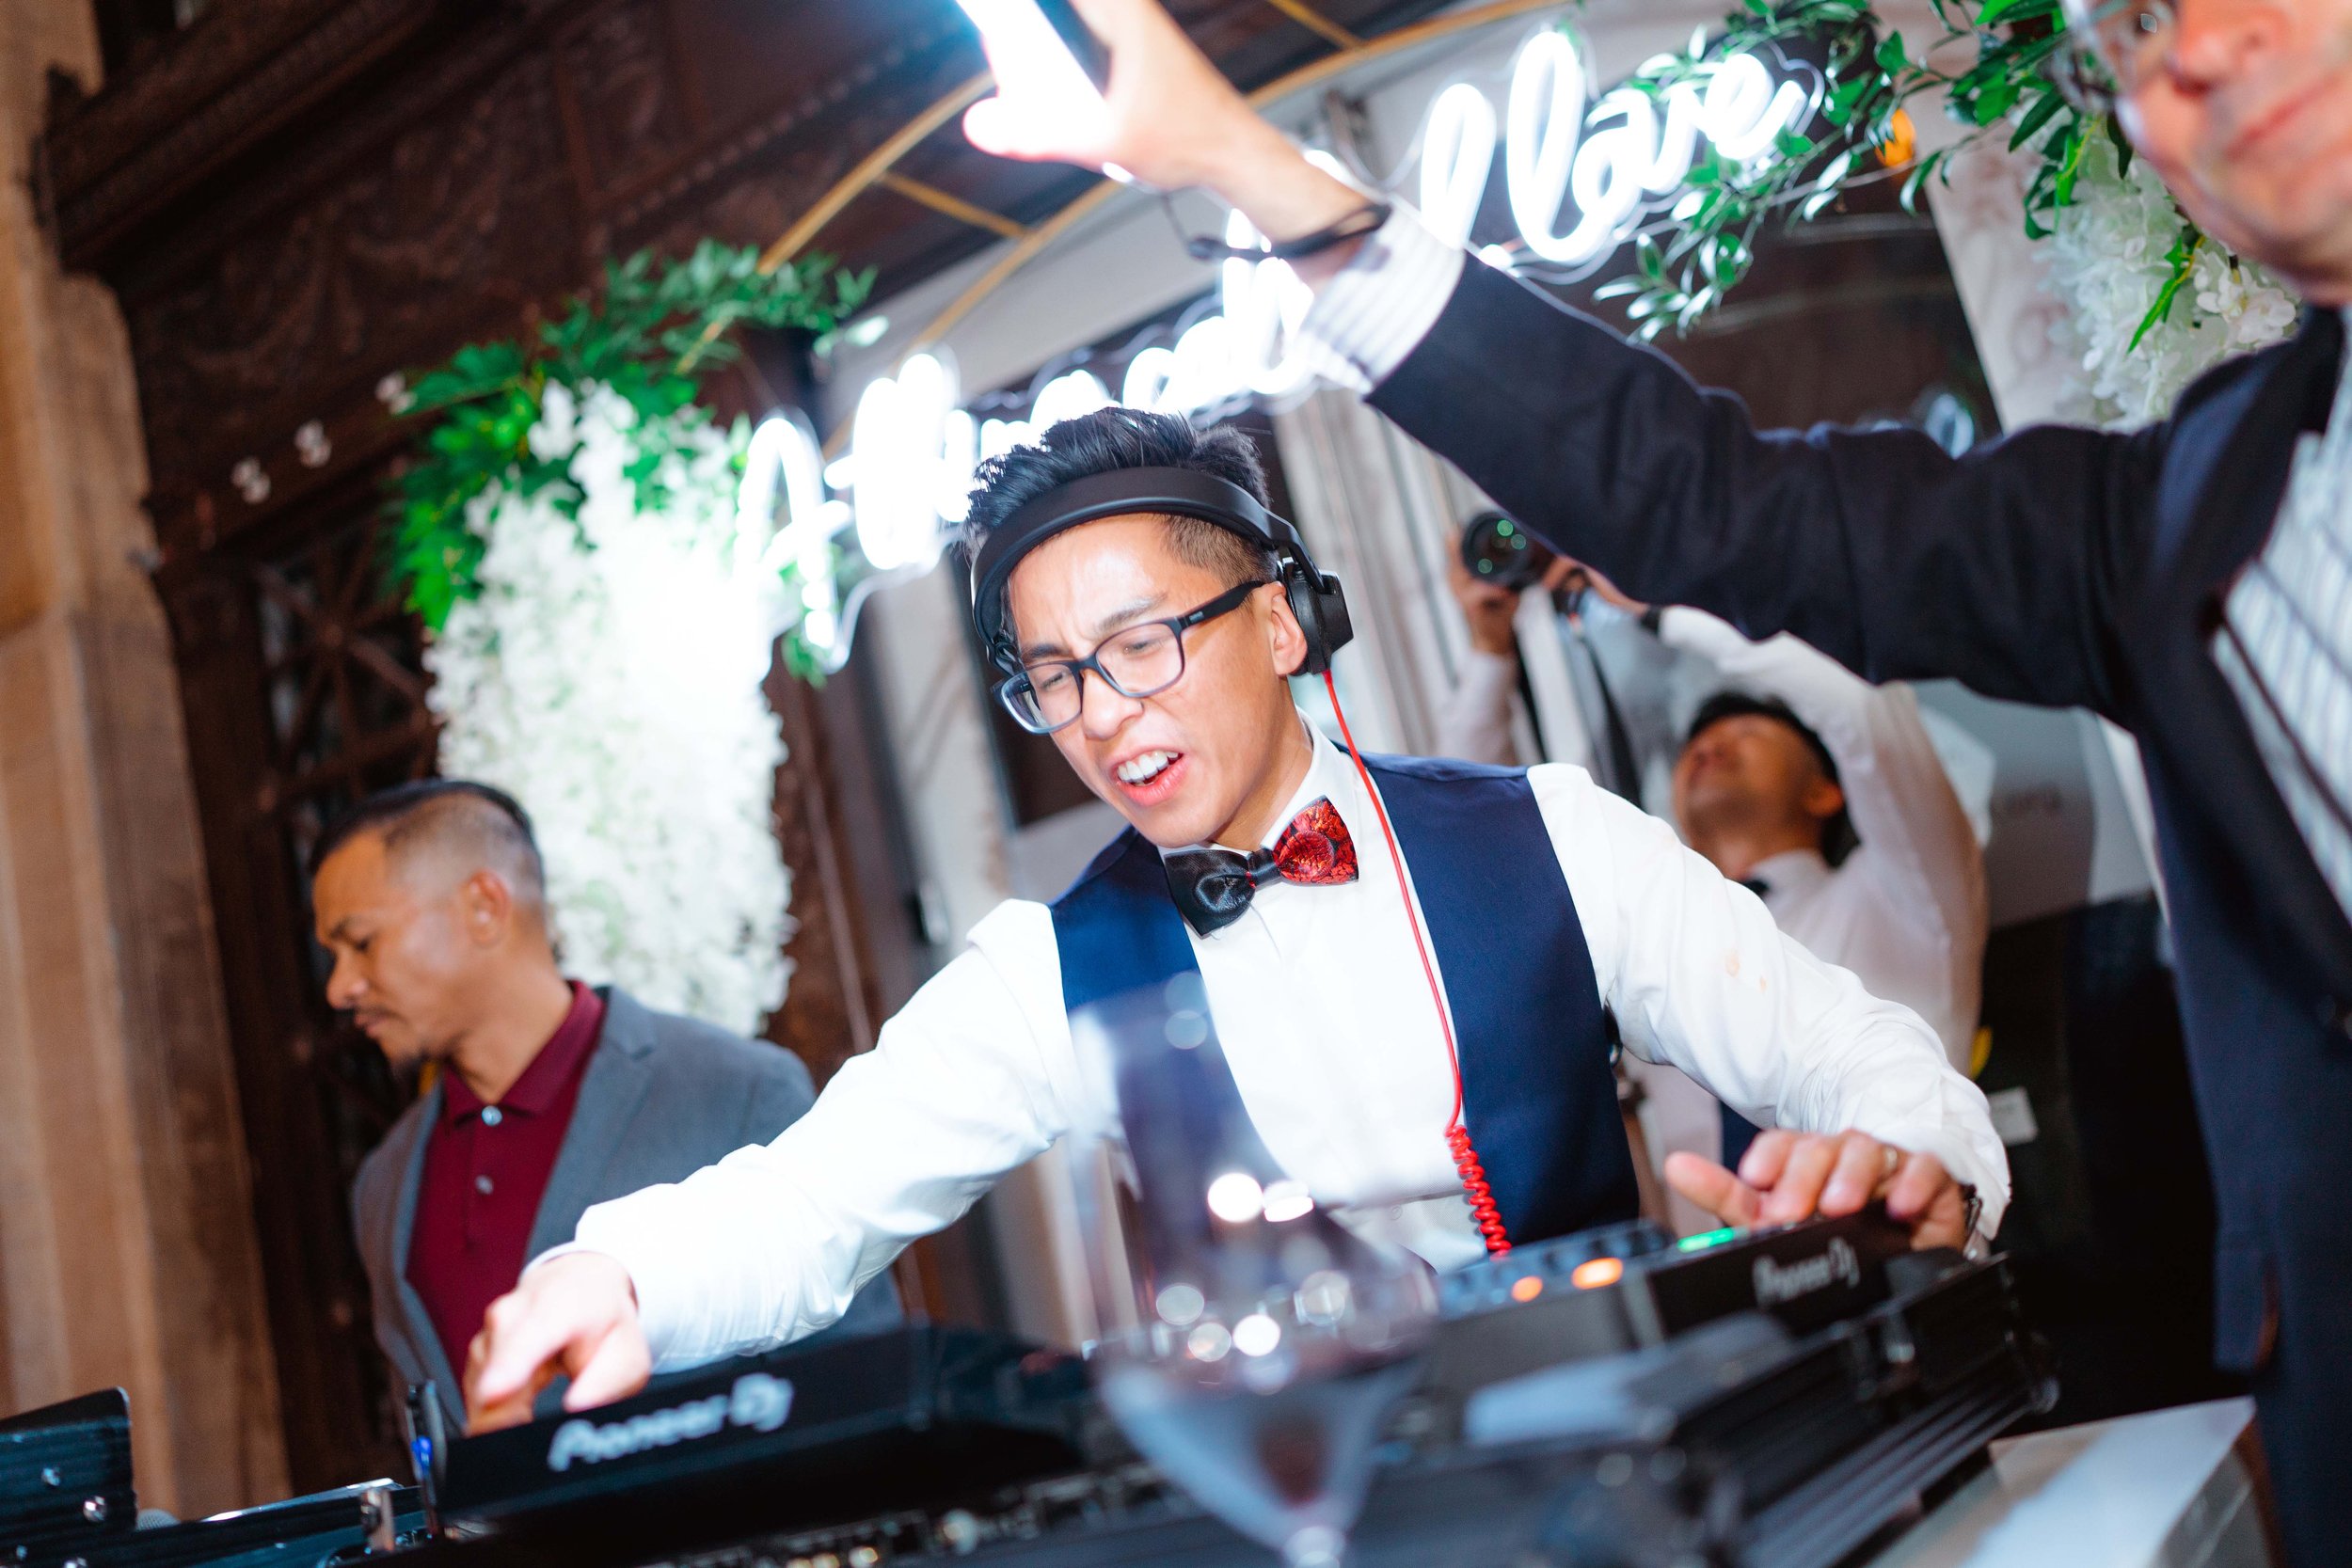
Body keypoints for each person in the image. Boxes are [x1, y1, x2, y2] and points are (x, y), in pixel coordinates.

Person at [953, 0, 2352, 1556]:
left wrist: (1918, 1144)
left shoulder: (1715, 848)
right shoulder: (2179, 519)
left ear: (1274, 621)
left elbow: (1804, 722)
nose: (2199, 50)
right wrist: (1227, 156)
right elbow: (1699, 496)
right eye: (2138, 25)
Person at [462, 408, 2006, 1430]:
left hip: (1630, 1473)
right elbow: (810, 1203)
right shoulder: (1045, 967)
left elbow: (1870, 1064)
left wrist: (1908, 1161)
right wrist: (622, 1275)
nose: (1099, 716)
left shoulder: (1554, 835)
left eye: (1138, 646)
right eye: (1052, 676)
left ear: (1278, 616)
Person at [319, 781, 898, 1425]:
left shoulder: (735, 1090)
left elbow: (860, 1389)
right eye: (332, 956)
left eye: (361, 942)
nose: (340, 987)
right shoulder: (384, 1185)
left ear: (484, 906)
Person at [1443, 564, 1990, 1223]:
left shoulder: (1909, 901)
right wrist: (1491, 652)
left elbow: (1859, 708)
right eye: (1694, 745)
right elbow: (1480, 836)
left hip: (1907, 1252)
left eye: (1745, 733)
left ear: (1825, 789)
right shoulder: (1654, 945)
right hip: (1715, 1305)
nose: (1707, 746)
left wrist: (1662, 605)